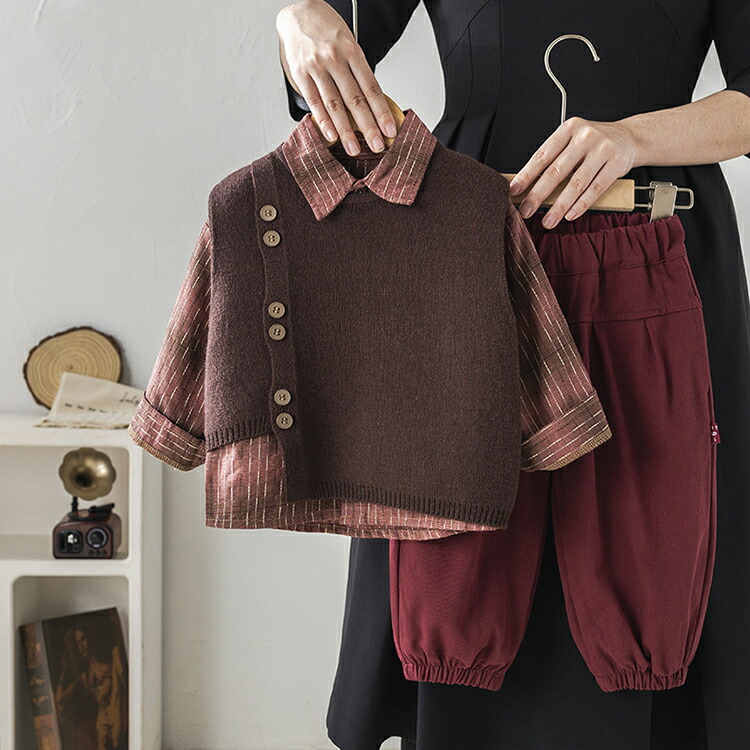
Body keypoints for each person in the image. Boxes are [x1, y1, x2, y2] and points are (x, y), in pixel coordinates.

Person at [275, 1, 750, 748]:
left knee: (661, 522)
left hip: (664, 232)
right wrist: (298, 20)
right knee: (451, 542)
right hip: (468, 236)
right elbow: (331, 43)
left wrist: (633, 137)